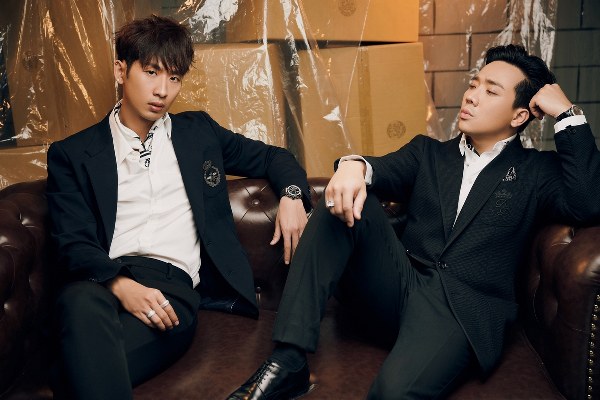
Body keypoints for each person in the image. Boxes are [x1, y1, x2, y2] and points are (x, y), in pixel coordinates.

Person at [227, 44, 600, 399]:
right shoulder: (428, 154)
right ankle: (288, 359)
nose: (471, 96)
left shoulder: (536, 172)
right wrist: (354, 166)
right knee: (342, 198)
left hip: (459, 311)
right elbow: (381, 168)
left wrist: (568, 114)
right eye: (473, 85)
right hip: (400, 287)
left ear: (519, 116)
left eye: (490, 91)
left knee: (392, 394)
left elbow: (587, 203)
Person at [46, 15, 310, 400]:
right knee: (78, 300)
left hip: (171, 289)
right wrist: (121, 284)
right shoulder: (72, 153)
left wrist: (292, 195)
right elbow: (73, 242)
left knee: (72, 372)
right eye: (151, 72)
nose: (163, 90)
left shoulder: (198, 133)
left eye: (174, 78)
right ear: (121, 70)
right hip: (100, 282)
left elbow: (275, 157)